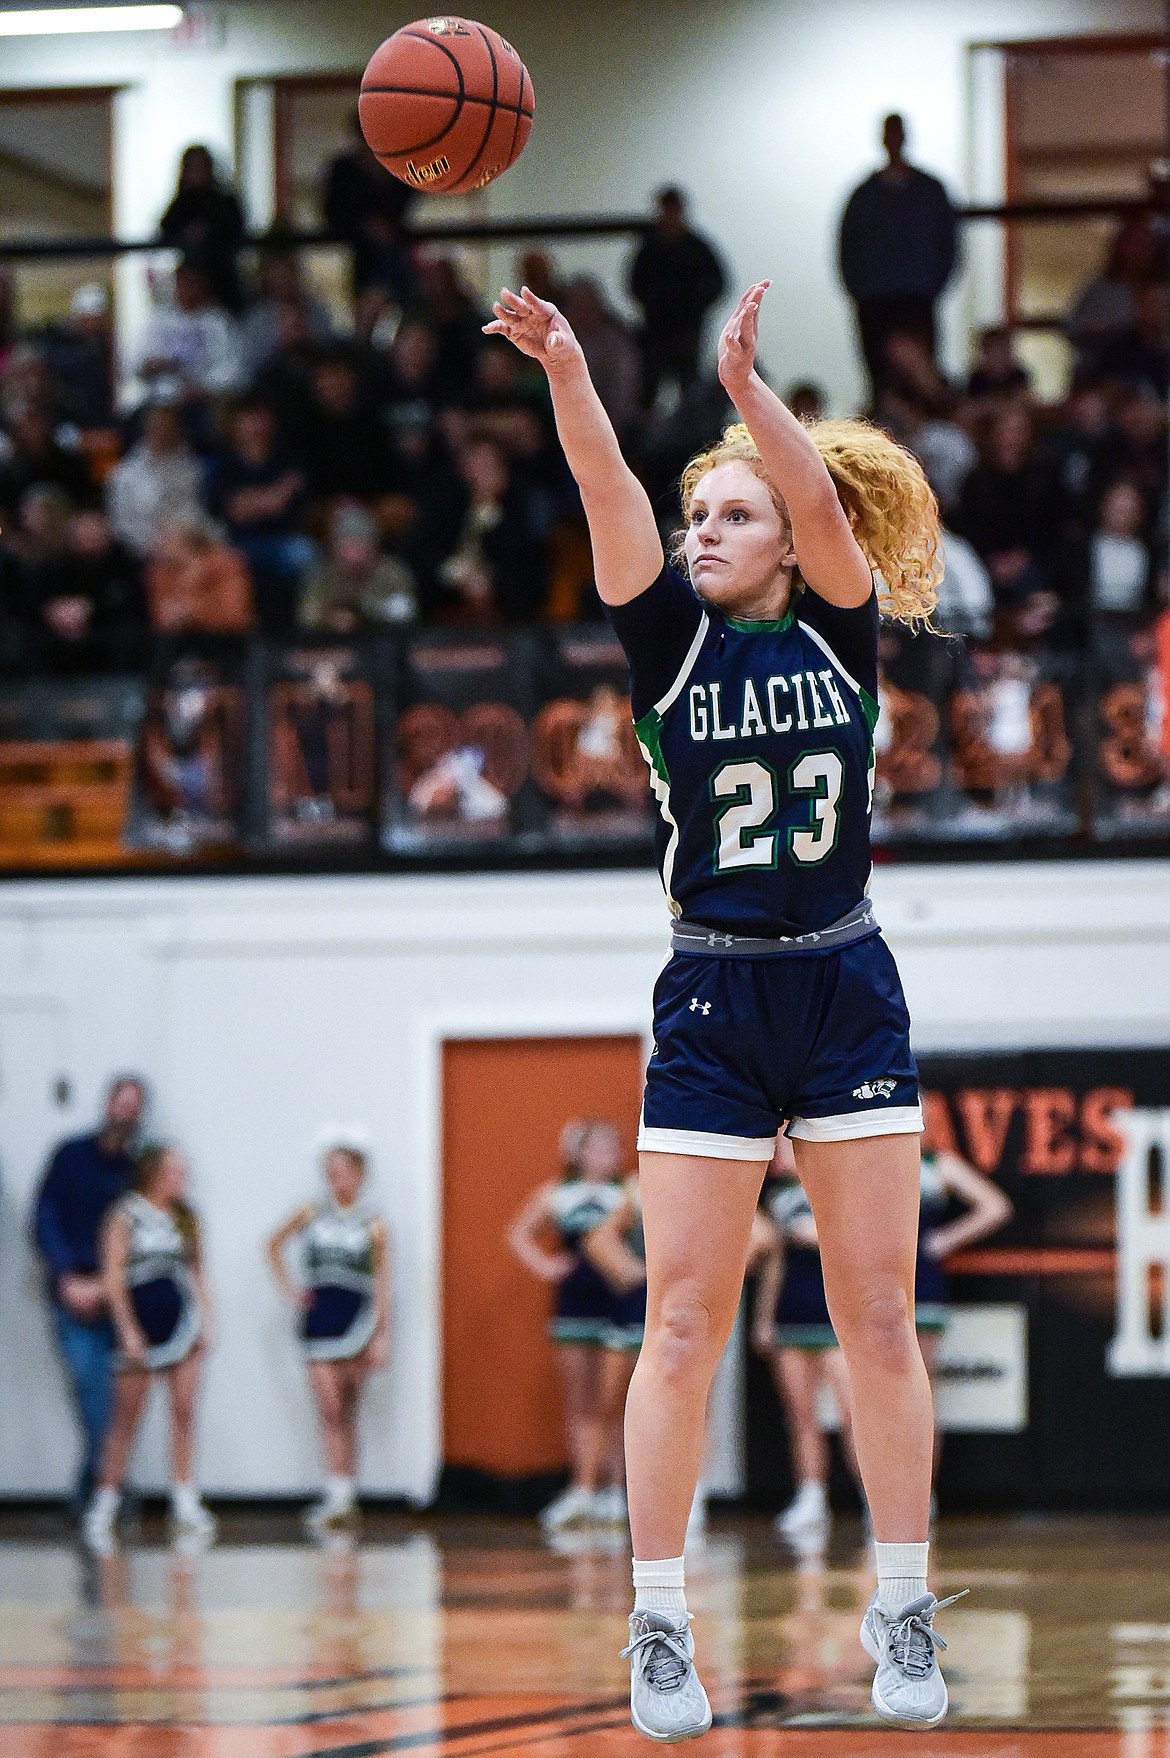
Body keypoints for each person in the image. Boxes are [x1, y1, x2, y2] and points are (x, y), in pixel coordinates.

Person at [485, 274, 960, 1736]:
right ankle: (658, 1622)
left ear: (789, 539)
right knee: (680, 1320)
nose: (703, 530)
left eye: (729, 515)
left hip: (840, 984)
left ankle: (901, 1607)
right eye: (701, 515)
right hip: (709, 989)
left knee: (874, 1311)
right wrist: (568, 364)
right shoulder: (664, 647)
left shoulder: (838, 625)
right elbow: (602, 480)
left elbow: (818, 507)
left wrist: (753, 397)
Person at [82, 1143, 216, 1553]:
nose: (183, 1176)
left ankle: (185, 1502)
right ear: (155, 1171)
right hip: (140, 1324)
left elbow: (197, 1272)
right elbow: (113, 1275)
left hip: (182, 1324)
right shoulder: (125, 1215)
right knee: (125, 1420)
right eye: (176, 1168)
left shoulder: (186, 1218)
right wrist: (127, 1328)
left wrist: (207, 1320)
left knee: (185, 1413)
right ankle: (104, 1505)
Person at [506, 1119, 630, 1529]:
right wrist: (546, 1266)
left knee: (617, 1402)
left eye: (611, 1147)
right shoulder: (557, 1195)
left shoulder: (626, 1193)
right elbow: (519, 1234)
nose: (606, 1154)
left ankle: (617, 1491)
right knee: (581, 1401)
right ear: (576, 1153)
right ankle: (584, 1488)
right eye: (596, 1147)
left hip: (620, 1303)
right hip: (574, 1305)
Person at [32, 1077, 147, 1511]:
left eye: (133, 1108)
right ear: (106, 1105)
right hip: (71, 1291)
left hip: (118, 1296)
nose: (124, 1115)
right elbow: (45, 1217)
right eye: (120, 1104)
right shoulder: (71, 1157)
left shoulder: (136, 1172)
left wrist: (108, 1284)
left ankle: (99, 1484)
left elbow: (140, 1238)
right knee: (88, 1382)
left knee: (118, 1392)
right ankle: (106, 1482)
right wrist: (67, 1276)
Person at [266, 1133, 391, 1531]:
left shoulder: (374, 1223)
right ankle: (335, 1491)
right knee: (329, 1408)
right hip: (319, 1319)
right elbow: (272, 1245)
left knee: (349, 1409)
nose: (338, 1177)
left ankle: (345, 1494)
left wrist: (381, 1333)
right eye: (331, 1170)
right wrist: (288, 1288)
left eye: (345, 1169)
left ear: (359, 1174)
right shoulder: (311, 1212)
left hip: (356, 1319)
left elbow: (382, 1281)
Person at [751, 1133, 860, 1550]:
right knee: (800, 1413)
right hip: (792, 1312)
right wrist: (764, 1318)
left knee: (853, 1414)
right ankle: (811, 1496)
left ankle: (873, 1500)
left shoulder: (838, 1182)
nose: (777, 1153)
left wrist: (818, 1232)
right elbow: (773, 1261)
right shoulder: (775, 1196)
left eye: (782, 1143)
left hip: (835, 1312)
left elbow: (858, 1240)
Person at [914, 1115, 1013, 1481]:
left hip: (921, 1288)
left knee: (920, 1396)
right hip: (875, 1287)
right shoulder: (868, 1164)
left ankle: (922, 1497)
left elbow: (995, 1206)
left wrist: (945, 1240)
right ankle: (876, 1500)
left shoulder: (939, 1165)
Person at [838, 114, 958, 401]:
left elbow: (948, 245)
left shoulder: (929, 192)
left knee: (921, 382)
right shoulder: (865, 196)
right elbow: (848, 249)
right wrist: (863, 291)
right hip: (876, 303)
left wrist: (930, 286)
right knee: (882, 384)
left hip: (916, 299)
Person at [628, 188, 726, 410]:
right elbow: (635, 285)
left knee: (689, 386)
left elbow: (719, 283)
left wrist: (698, 309)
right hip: (656, 327)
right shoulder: (650, 249)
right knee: (649, 387)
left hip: (687, 328)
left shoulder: (696, 247)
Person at [159, 145, 246, 314]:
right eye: (192, 167)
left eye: (201, 166)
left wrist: (210, 231)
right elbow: (166, 230)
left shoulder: (225, 202)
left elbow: (236, 233)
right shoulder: (182, 203)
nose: (197, 173)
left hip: (222, 280)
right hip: (193, 281)